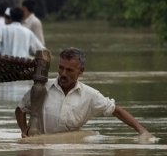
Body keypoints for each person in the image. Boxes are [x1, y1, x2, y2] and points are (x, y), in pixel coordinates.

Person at [15, 48, 151, 139]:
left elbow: (116, 111)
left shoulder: (90, 95)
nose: (63, 74)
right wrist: (24, 129)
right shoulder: (42, 88)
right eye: (61, 68)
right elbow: (20, 109)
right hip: (40, 147)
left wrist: (142, 131)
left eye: (69, 70)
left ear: (81, 71)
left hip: (70, 149)